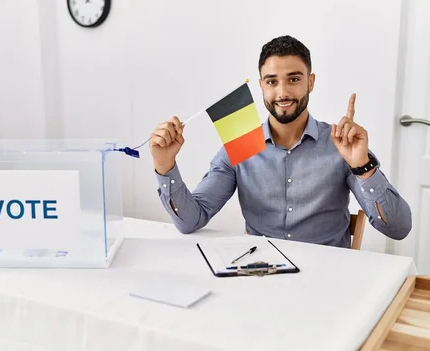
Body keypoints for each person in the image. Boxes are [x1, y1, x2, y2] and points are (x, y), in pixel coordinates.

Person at [148, 35, 411, 248]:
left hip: (328, 282)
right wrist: (165, 165)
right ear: (262, 86)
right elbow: (190, 221)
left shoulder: (342, 145)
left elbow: (398, 229)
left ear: (311, 82)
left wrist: (363, 168)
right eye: (272, 82)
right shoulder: (239, 147)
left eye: (294, 79)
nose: (283, 93)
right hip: (260, 278)